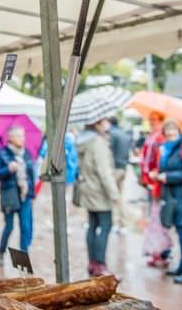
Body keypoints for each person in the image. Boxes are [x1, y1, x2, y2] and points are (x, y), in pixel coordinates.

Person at [77, 118, 119, 276]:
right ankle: (100, 263)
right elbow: (104, 172)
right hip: (100, 191)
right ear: (97, 124)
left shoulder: (83, 140)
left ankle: (92, 262)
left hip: (89, 189)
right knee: (105, 226)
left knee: (93, 225)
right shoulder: (97, 142)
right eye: (104, 121)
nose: (107, 124)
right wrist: (114, 193)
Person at [0, 126, 35, 266]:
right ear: (10, 138)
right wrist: (8, 168)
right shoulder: (1, 153)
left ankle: (22, 263)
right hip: (10, 195)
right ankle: (1, 252)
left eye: (23, 136)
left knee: (25, 226)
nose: (22, 139)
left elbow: (31, 174)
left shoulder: (26, 153)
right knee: (9, 226)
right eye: (19, 136)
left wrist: (32, 193)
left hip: (24, 196)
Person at [150, 119, 182, 284]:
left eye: (173, 129)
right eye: (167, 129)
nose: (170, 132)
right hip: (172, 196)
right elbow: (165, 167)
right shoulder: (166, 148)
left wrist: (167, 177)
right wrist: (157, 173)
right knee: (180, 232)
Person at [140, 112, 171, 267]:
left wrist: (155, 174)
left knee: (159, 216)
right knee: (154, 216)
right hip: (150, 181)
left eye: (155, 120)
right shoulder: (152, 135)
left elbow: (160, 160)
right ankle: (157, 251)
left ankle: (162, 251)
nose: (151, 122)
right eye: (150, 119)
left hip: (157, 182)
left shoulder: (160, 137)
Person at [108, 116, 132, 232]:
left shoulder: (111, 134)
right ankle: (122, 223)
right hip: (123, 167)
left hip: (115, 168)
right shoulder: (124, 134)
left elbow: (109, 152)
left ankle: (118, 222)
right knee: (119, 195)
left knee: (114, 196)